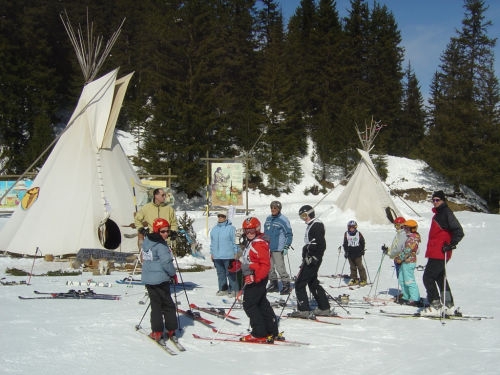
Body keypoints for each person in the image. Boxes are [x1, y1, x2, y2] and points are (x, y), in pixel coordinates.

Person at [422, 190, 464, 314]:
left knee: (428, 277)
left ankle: (435, 305)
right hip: (435, 251)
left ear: (443, 201)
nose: (435, 202)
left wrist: (450, 244)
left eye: (437, 200)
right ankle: (449, 304)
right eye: (433, 200)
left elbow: (458, 231)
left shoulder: (446, 213)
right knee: (440, 278)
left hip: (440, 252)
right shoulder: (438, 214)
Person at [239, 217, 279, 343]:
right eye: (247, 231)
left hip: (257, 278)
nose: (249, 233)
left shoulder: (259, 243)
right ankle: (271, 329)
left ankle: (259, 332)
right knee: (261, 302)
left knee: (249, 304)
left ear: (257, 229)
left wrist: (255, 277)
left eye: (252, 230)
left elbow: (265, 265)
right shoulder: (253, 241)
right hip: (254, 276)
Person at [141, 218, 178, 343]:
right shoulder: (161, 245)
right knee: (167, 304)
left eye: (167, 231)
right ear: (157, 231)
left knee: (155, 305)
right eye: (162, 231)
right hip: (161, 279)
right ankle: (171, 329)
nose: (166, 234)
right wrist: (173, 274)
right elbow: (166, 262)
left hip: (149, 279)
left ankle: (156, 331)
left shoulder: (147, 241)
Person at [290, 205, 331, 318]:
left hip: (312, 260)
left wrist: (314, 257)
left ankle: (304, 310)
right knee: (312, 283)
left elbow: (320, 244)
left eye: (304, 215)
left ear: (310, 214)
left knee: (299, 283)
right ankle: (324, 307)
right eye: (301, 216)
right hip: (310, 259)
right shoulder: (312, 225)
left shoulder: (316, 225)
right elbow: (310, 244)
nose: (303, 218)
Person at [263, 201, 293, 295]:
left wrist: (286, 246)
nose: (273, 210)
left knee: (280, 267)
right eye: (272, 208)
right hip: (268, 247)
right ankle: (273, 283)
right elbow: (265, 232)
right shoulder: (268, 219)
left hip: (278, 247)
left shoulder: (283, 220)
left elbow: (289, 234)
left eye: (275, 208)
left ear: (279, 209)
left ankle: (286, 284)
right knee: (269, 267)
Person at [210, 210, 239, 297]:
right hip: (217, 256)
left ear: (226, 217)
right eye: (219, 216)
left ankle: (234, 289)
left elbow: (235, 241)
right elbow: (212, 242)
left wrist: (236, 252)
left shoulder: (231, 228)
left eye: (222, 216)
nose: (220, 218)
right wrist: (212, 253)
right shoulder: (214, 229)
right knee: (220, 273)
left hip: (228, 255)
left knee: (231, 273)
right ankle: (223, 288)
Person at [394, 219, 421, 306]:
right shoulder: (409, 237)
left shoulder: (412, 238)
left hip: (409, 262)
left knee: (409, 280)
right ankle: (406, 296)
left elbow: (407, 250)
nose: (404, 229)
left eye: (406, 228)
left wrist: (399, 258)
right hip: (405, 262)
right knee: (402, 279)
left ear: (411, 229)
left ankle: (414, 298)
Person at [343, 220, 368, 286]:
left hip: (357, 253)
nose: (351, 229)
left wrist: (362, 250)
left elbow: (362, 242)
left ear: (355, 227)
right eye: (350, 227)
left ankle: (363, 279)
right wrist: (346, 252)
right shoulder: (346, 234)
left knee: (360, 267)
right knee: (352, 267)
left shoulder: (358, 234)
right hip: (350, 253)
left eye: (353, 227)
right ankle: (354, 279)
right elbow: (345, 243)